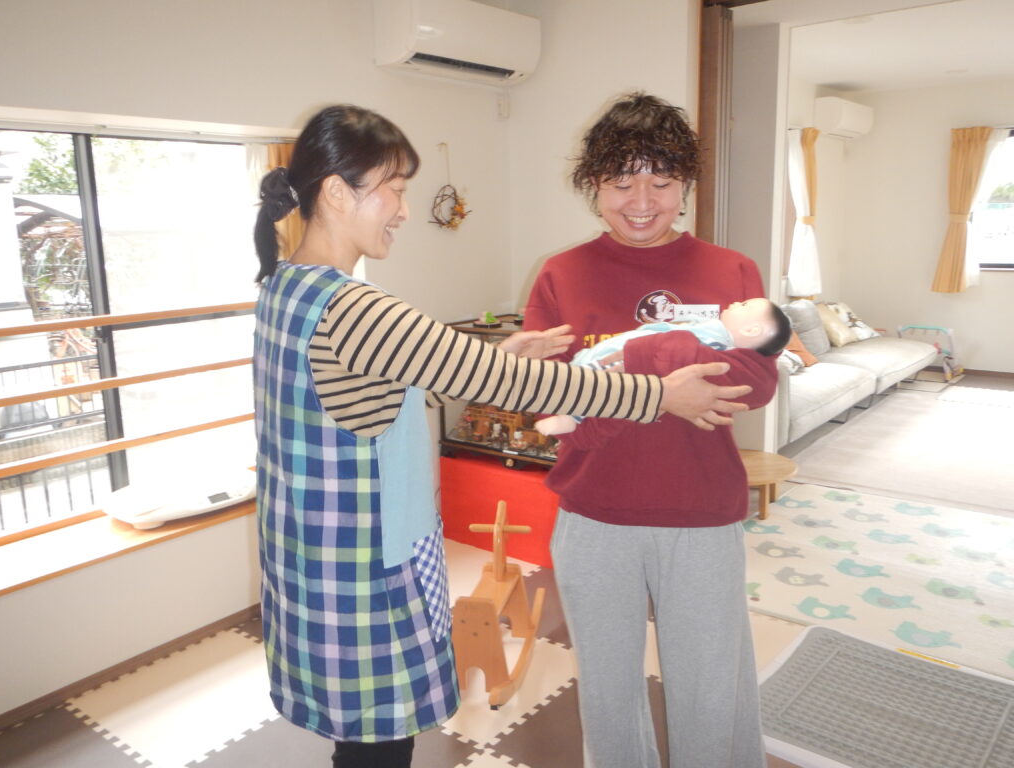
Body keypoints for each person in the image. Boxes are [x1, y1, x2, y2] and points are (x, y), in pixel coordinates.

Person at [251, 104, 754, 768]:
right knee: (377, 748)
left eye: (660, 182)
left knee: (363, 743)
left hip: (311, 553)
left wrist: (494, 359)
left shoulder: (285, 289)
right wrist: (661, 395)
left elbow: (375, 390)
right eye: (395, 188)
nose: (404, 209)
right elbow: (529, 388)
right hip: (366, 563)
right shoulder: (358, 306)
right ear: (340, 192)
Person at [523, 92, 781, 768]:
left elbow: (756, 381)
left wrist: (628, 381)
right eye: (620, 182)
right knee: (607, 694)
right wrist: (663, 394)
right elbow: (546, 397)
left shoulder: (731, 269)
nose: (641, 201)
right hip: (594, 514)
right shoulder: (561, 273)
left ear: (685, 184)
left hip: (700, 511)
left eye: (661, 182)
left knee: (710, 693)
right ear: (593, 184)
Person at [535, 298, 791, 436]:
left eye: (744, 305)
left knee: (602, 381)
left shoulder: (720, 342)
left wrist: (647, 353)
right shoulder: (559, 270)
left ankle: (572, 417)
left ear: (751, 330)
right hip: (589, 476)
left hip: (686, 476)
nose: (735, 303)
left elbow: (756, 385)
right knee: (590, 374)